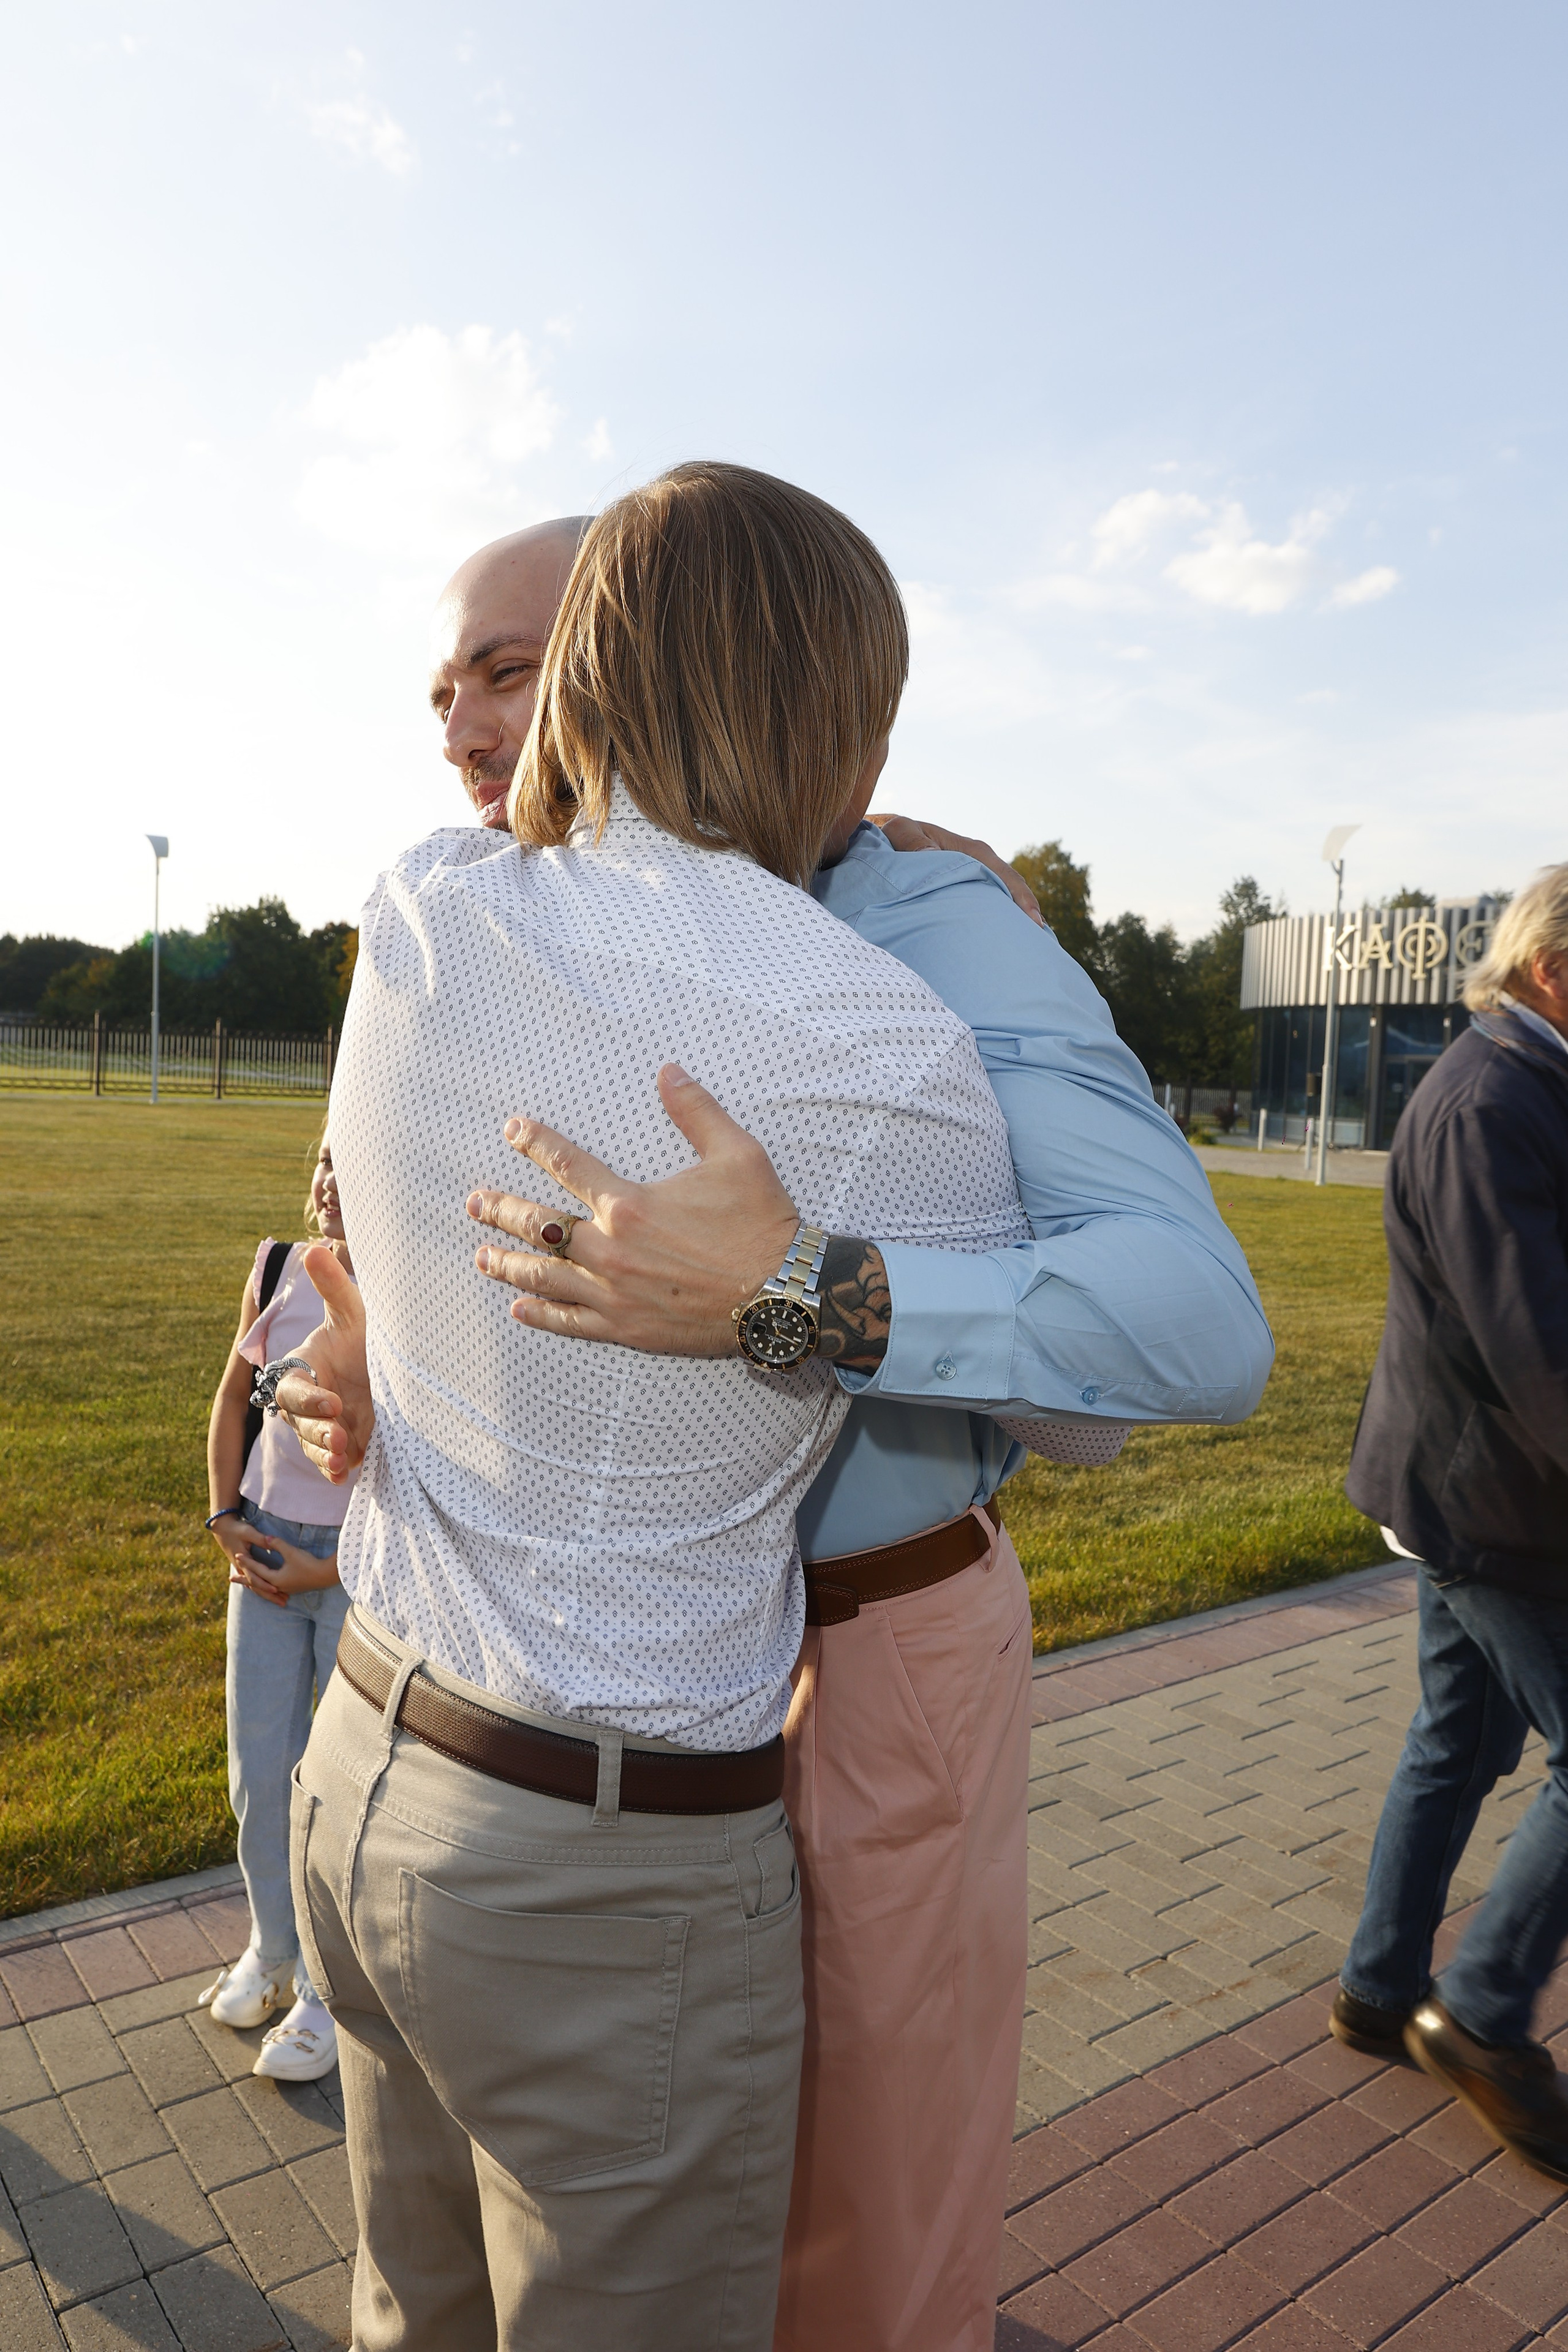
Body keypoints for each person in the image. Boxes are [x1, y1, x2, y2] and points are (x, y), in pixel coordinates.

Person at [290, 513, 1273, 2347]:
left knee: (866, 2228)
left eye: (516, 669)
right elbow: (374, 1230)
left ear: (622, 672)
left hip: (866, 1651)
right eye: (449, 687)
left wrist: (802, 1295)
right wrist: (364, 1362)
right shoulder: (478, 919)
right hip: (593, 1748)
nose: (471, 727)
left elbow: (1172, 1341)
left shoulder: (922, 939)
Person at [1335, 863, 1568, 2182]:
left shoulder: (1521, 1082)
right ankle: (1480, 2017)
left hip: (1471, 1490)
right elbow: (1532, 1347)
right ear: (1552, 971)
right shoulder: (1489, 1102)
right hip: (1491, 1505)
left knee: (1453, 1744)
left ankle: (1377, 1989)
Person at [200, 1125, 355, 2083]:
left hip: (351, 1568)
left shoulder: (412, 1291)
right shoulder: (278, 1265)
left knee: (337, 1790)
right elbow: (231, 1400)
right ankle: (272, 1945)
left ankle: (330, 1996)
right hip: (259, 1546)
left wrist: (325, 1573)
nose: (333, 1181)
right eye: (324, 1158)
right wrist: (224, 1515)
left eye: (355, 1160)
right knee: (260, 1768)